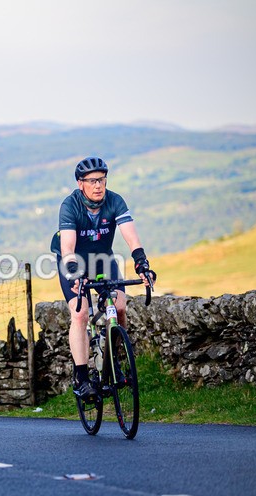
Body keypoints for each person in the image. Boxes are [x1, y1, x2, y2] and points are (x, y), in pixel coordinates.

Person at [50, 156, 156, 399]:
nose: (98, 185)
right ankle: (81, 377)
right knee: (80, 314)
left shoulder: (115, 200)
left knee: (119, 308)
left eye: (102, 179)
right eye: (93, 180)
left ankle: (113, 359)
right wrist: (75, 274)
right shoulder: (70, 205)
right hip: (72, 261)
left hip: (103, 260)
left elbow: (131, 236)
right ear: (81, 184)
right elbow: (67, 247)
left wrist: (141, 262)